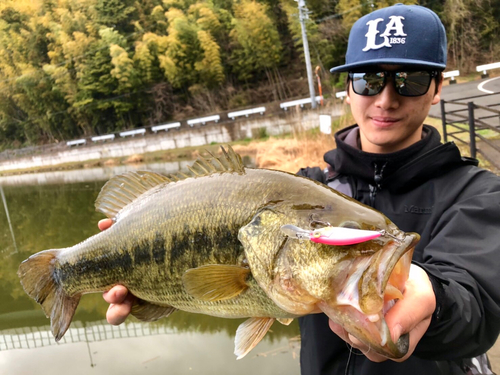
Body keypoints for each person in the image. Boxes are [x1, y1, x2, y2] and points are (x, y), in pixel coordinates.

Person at [100, 4, 500, 374]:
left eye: (408, 81)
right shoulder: (305, 190)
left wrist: (435, 302)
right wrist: (152, 287)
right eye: (369, 79)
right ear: (348, 88)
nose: (386, 98)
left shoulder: (478, 194)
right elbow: (211, 283)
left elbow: (477, 304)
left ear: (438, 87)